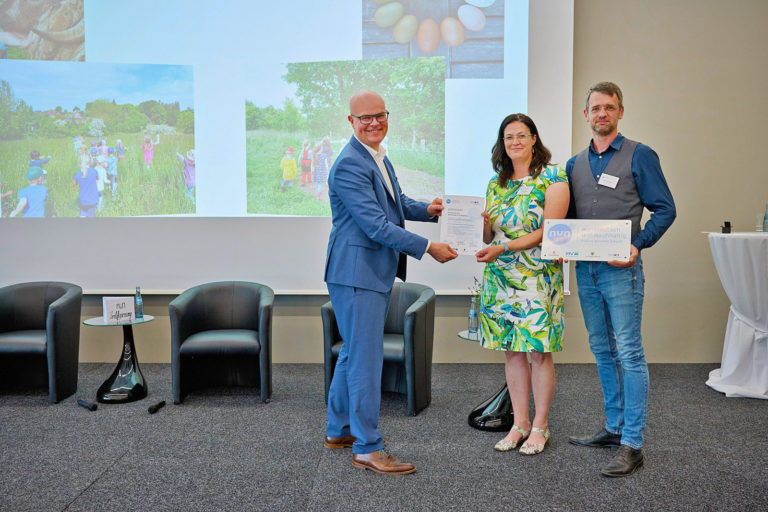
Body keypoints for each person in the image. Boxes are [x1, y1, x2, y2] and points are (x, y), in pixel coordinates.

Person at [323, 90, 457, 475]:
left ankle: (339, 429)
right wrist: (429, 246)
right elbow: (376, 226)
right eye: (364, 118)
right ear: (351, 122)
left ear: (387, 116)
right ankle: (367, 447)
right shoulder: (350, 163)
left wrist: (428, 212)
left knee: (352, 352)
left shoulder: (377, 155)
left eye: (379, 115)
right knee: (365, 360)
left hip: (364, 273)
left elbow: (395, 204)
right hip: (356, 275)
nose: (373, 123)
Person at [566, 82, 676, 477]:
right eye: (595, 108)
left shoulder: (639, 155)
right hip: (586, 270)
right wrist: (561, 242)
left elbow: (665, 209)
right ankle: (613, 428)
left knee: (629, 352)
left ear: (620, 112)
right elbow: (569, 221)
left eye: (609, 108)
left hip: (621, 271)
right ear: (586, 115)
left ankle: (633, 443)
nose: (601, 114)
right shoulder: (573, 164)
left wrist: (638, 245)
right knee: (601, 348)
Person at [475, 114, 569, 456]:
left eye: (521, 135)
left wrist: (504, 246)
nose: (514, 141)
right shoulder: (495, 183)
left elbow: (550, 229)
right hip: (500, 277)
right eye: (508, 136)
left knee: (538, 353)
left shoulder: (553, 176)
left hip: (537, 274)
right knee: (512, 352)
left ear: (533, 139)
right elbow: (490, 235)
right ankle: (520, 424)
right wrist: (484, 227)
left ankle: (541, 426)